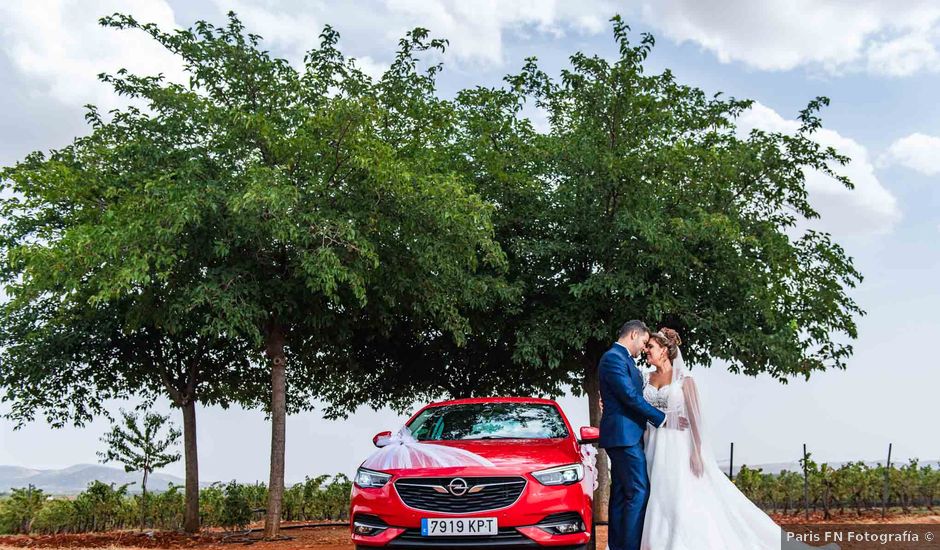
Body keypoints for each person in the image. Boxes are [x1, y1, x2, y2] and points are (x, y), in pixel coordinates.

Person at [639, 328, 838, 550]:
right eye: (647, 347)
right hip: (653, 445)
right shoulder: (645, 378)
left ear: (665, 351)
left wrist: (697, 452)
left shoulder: (685, 380)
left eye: (651, 347)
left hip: (678, 446)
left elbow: (695, 420)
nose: (646, 350)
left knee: (679, 495)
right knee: (658, 496)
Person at [598, 320, 670, 550]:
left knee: (622, 493)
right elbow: (629, 396)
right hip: (623, 436)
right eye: (643, 342)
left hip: (627, 434)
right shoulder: (613, 358)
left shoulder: (623, 359)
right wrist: (660, 417)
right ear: (632, 335)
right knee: (639, 491)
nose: (643, 347)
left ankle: (618, 546)